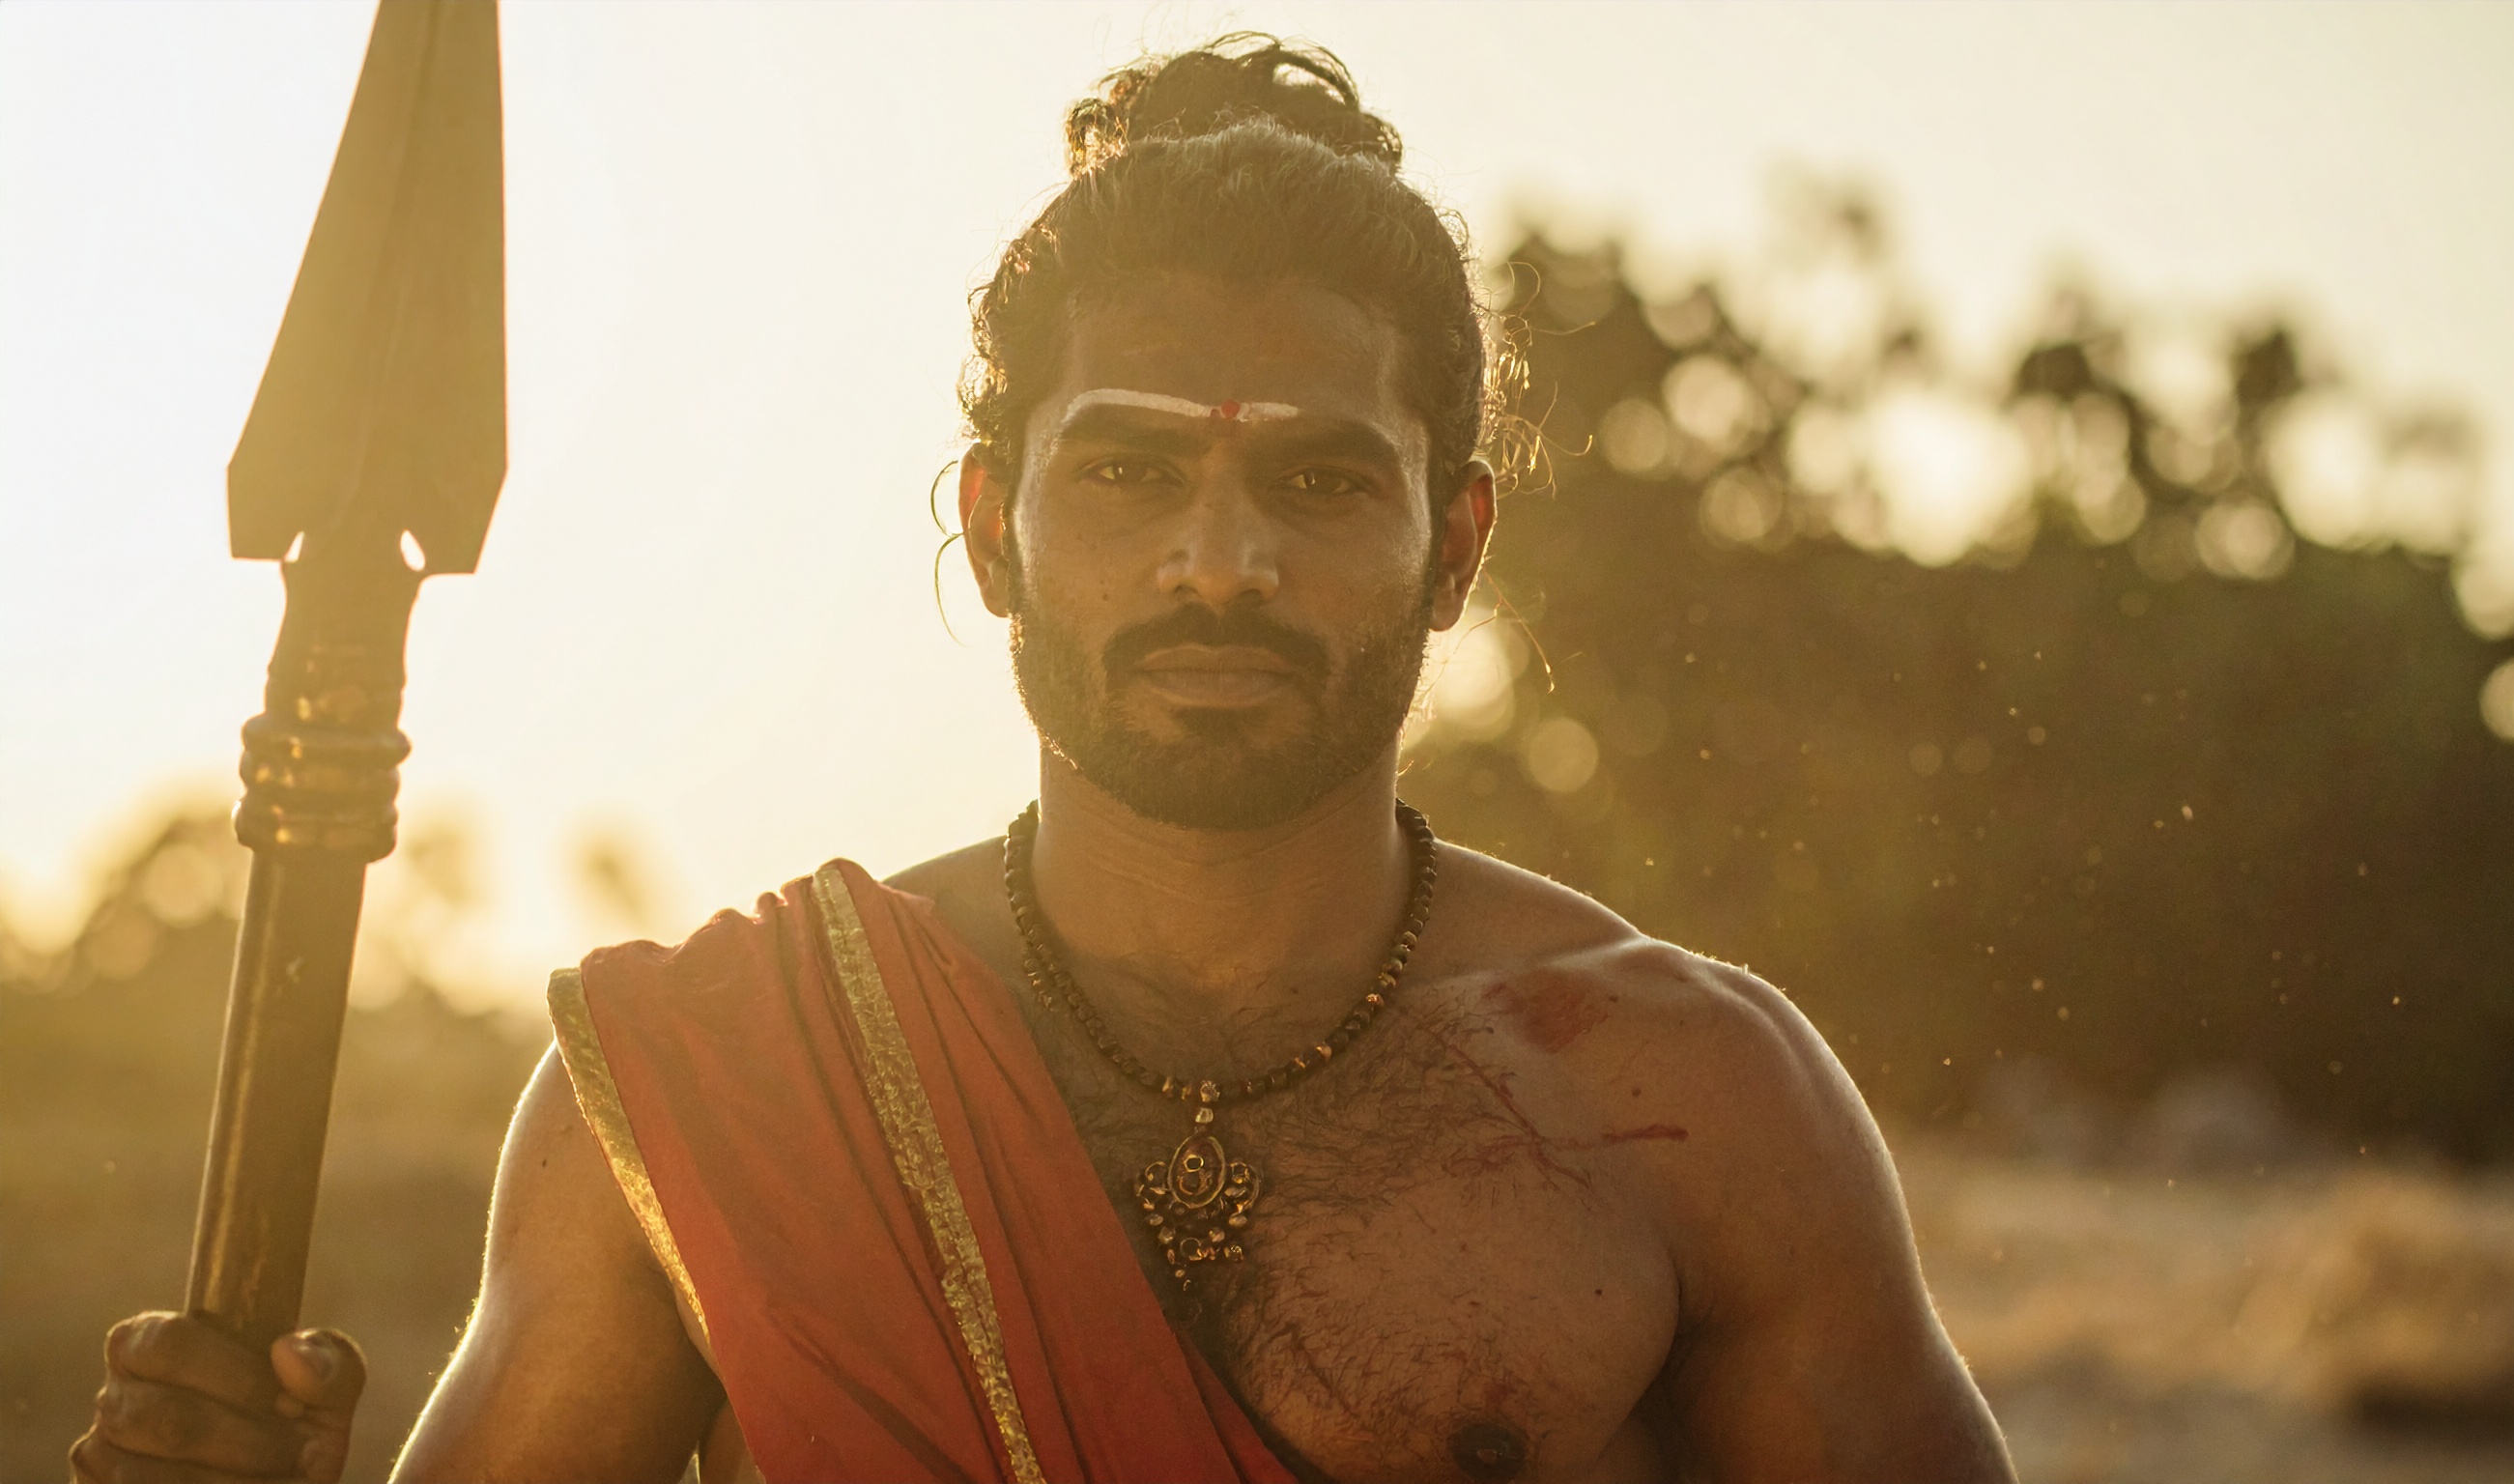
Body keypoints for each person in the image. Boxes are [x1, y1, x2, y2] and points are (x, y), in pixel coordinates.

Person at [77, 36, 2013, 1484]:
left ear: (1456, 546)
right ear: (994, 528)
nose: (1219, 562)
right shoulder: (703, 1090)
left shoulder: (1691, 1103)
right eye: (1132, 469)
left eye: (1321, 482)